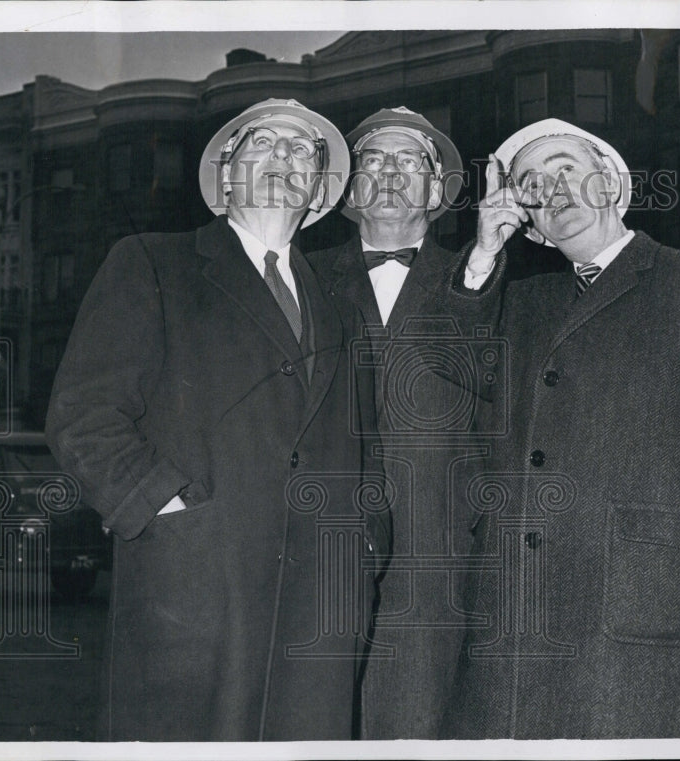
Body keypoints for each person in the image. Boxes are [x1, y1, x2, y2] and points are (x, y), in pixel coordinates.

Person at [46, 99, 388, 741]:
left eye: (302, 153)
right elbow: (84, 418)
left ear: (318, 191)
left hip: (320, 610)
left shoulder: (343, 309)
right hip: (194, 593)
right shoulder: (150, 261)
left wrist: (365, 552)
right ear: (226, 175)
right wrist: (166, 509)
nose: (284, 158)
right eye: (263, 143)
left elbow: (364, 450)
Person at [439, 118, 680, 738]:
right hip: (516, 607)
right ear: (531, 225)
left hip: (633, 603)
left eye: (567, 168)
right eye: (532, 185)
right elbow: (447, 374)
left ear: (610, 184)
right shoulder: (519, 302)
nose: (554, 189)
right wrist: (484, 254)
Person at [306, 106, 490, 739]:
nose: (388, 172)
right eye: (372, 160)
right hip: (315, 550)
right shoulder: (296, 280)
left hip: (436, 563)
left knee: (418, 731)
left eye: (409, 160)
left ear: (438, 192)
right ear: (349, 189)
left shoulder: (491, 280)